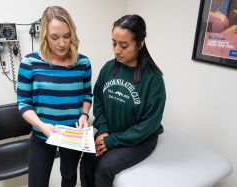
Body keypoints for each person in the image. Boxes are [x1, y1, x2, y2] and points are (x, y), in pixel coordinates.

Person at [80, 14, 166, 187]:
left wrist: (112, 141)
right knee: (87, 160)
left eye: (124, 45)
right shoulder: (108, 68)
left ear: (140, 44)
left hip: (140, 140)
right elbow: (99, 102)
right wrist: (103, 131)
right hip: (109, 133)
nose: (117, 50)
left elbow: (148, 125)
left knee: (104, 168)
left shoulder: (153, 79)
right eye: (114, 43)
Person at [17, 6, 92, 187]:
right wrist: (42, 126)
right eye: (55, 37)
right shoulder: (30, 63)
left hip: (72, 134)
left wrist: (84, 115)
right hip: (42, 134)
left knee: (69, 178)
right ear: (44, 35)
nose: (62, 43)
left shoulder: (82, 63)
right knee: (37, 182)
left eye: (67, 36)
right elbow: (23, 103)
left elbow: (87, 95)